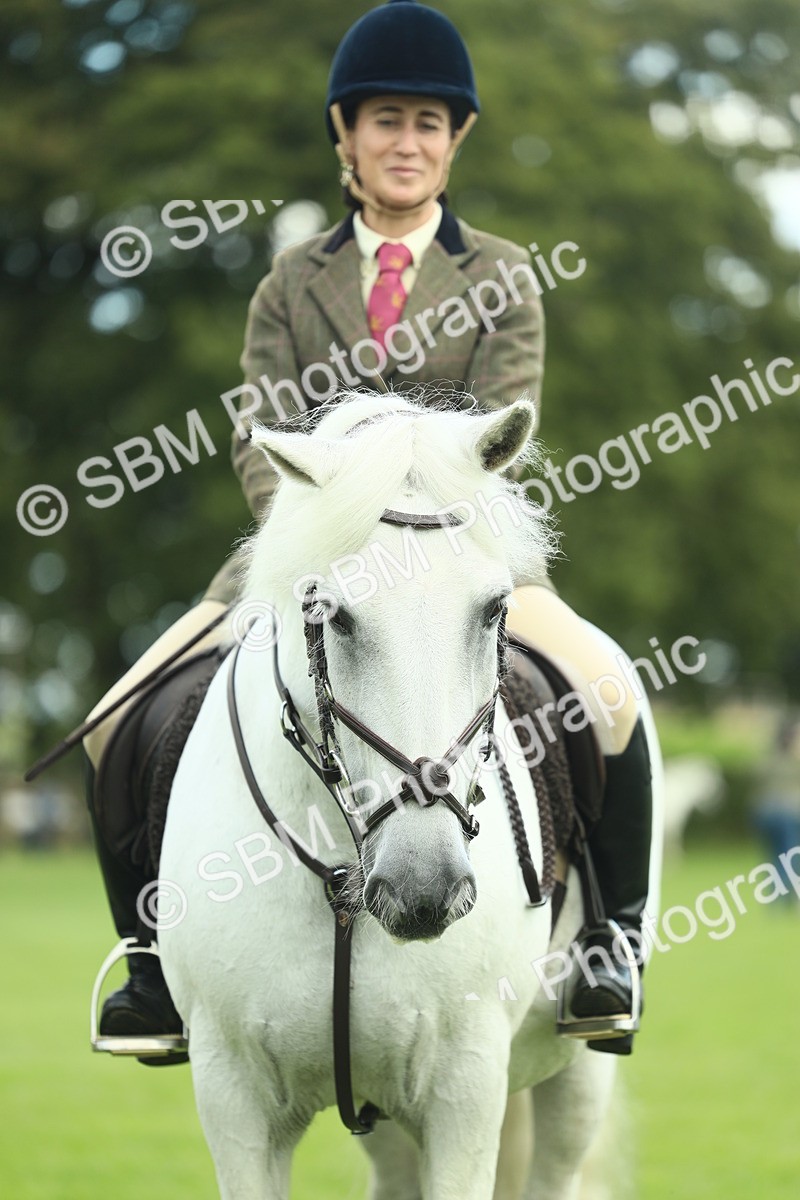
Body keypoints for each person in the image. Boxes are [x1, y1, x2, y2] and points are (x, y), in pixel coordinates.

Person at [84, 0, 652, 1057]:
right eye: (386, 119)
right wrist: (325, 545)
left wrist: (417, 544)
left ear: (456, 138)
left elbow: (500, 433)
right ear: (345, 133)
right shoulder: (287, 282)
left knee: (608, 695)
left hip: (462, 556)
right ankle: (152, 971)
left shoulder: (500, 279)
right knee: (114, 721)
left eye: (429, 123)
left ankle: (606, 945)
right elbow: (261, 435)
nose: (407, 142)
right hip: (307, 559)